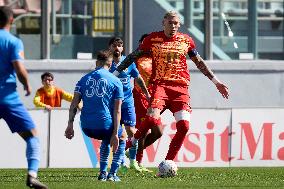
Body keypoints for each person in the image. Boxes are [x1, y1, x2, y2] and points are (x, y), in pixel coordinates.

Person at [113, 11, 229, 170]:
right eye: (170, 23)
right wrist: (114, 74)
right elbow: (132, 56)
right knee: (153, 120)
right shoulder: (152, 39)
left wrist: (216, 82)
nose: (173, 26)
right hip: (160, 86)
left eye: (176, 23)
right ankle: (131, 143)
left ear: (179, 24)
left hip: (180, 89)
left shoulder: (186, 40)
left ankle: (167, 163)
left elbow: (199, 62)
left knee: (184, 127)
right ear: (163, 23)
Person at [0, 6, 48, 188]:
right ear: (11, 20)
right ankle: (32, 175)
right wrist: (27, 83)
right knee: (32, 135)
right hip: (8, 98)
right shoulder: (13, 42)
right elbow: (19, 68)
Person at [65, 50, 126, 182]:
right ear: (110, 65)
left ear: (96, 63)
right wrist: (115, 133)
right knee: (122, 137)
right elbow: (117, 110)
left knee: (106, 138)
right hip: (104, 125)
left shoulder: (83, 80)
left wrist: (70, 125)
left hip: (86, 127)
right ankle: (112, 174)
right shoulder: (116, 81)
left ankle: (102, 173)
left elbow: (74, 104)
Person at [108, 37, 150, 172]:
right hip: (112, 103)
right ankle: (118, 161)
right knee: (117, 134)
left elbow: (138, 78)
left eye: (119, 46)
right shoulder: (106, 64)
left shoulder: (129, 62)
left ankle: (133, 162)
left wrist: (147, 94)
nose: (117, 48)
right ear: (110, 48)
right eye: (114, 46)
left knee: (132, 132)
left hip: (127, 102)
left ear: (122, 48)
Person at [132, 34, 163, 172]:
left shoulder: (157, 59)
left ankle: (131, 153)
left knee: (158, 132)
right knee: (143, 132)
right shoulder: (135, 58)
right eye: (143, 42)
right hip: (140, 96)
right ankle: (138, 162)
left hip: (154, 98)